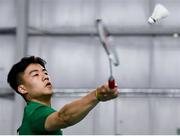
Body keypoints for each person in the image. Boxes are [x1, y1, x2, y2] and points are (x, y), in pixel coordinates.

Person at [7, 56, 119, 135]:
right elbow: (64, 117)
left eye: (45, 73)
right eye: (36, 74)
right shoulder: (36, 113)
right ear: (22, 88)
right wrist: (96, 95)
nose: (45, 76)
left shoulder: (35, 113)